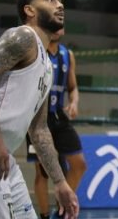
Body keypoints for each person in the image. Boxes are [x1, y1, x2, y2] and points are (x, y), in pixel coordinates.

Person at [0, 0, 79, 218]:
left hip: (4, 161)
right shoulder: (22, 37)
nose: (60, 4)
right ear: (30, 10)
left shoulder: (46, 66)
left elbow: (39, 129)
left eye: (60, 0)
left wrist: (60, 183)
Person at [26, 27, 87, 219]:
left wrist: (74, 103)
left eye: (61, 25)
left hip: (59, 115)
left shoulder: (67, 55)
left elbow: (73, 87)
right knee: (42, 173)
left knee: (79, 165)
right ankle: (44, 215)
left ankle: (61, 211)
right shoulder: (36, 51)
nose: (58, 28)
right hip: (37, 117)